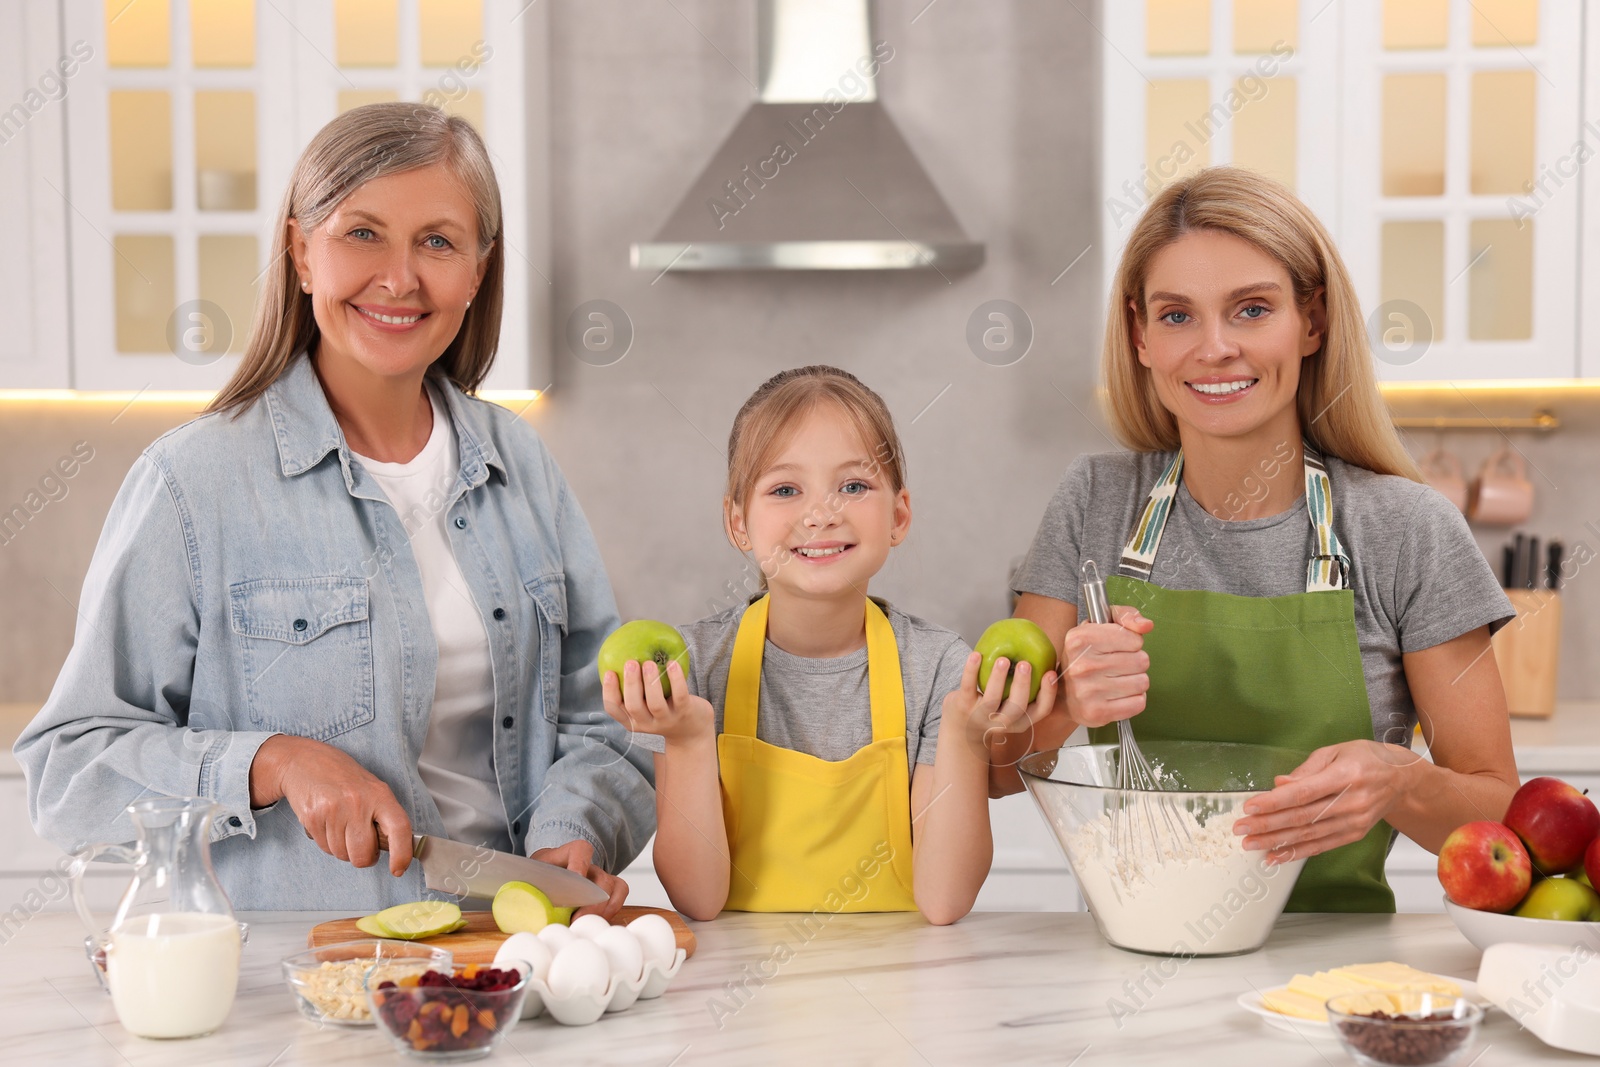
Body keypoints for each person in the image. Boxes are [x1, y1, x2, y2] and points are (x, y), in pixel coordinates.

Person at [15, 104, 654, 912]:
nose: (399, 278)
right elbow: (70, 768)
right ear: (301, 252)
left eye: (437, 241)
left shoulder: (521, 466)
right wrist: (271, 763)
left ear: (477, 272)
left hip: (511, 961)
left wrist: (576, 828)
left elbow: (607, 719)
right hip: (291, 992)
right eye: (362, 234)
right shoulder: (193, 483)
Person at [990, 167, 1519, 911]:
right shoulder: (1095, 502)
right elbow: (993, 765)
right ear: (1140, 334)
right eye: (1177, 316)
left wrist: (1401, 778)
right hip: (1133, 955)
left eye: (1251, 309)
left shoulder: (1407, 530)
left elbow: (1501, 819)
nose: (1215, 348)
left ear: (1312, 320)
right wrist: (1069, 706)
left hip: (1331, 979)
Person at [602, 366, 1058, 924]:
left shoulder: (938, 669)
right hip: (739, 996)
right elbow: (699, 898)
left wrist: (967, 737)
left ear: (899, 515)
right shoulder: (693, 668)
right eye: (786, 489)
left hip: (903, 990)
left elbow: (943, 902)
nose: (821, 514)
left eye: (853, 486)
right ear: (737, 521)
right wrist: (690, 739)